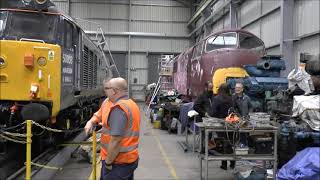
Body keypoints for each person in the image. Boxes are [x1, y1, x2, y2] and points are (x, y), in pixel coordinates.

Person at [85, 77, 141, 180]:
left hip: (117, 162)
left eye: (107, 88)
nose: (105, 91)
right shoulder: (131, 104)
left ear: (114, 91)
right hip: (128, 159)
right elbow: (99, 114)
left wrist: (108, 163)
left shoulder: (119, 109)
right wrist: (91, 121)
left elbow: (116, 140)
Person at [209, 84, 235, 170]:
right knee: (230, 143)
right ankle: (232, 163)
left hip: (220, 124)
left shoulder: (217, 99)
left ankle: (224, 164)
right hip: (231, 123)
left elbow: (213, 113)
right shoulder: (232, 98)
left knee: (222, 143)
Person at [232, 82, 252, 147]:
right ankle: (236, 145)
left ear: (242, 89)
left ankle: (244, 145)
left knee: (244, 133)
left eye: (238, 88)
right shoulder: (233, 97)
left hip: (245, 119)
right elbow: (232, 108)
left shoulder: (247, 98)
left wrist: (249, 115)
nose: (237, 89)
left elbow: (251, 107)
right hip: (236, 120)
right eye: (236, 87)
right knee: (236, 133)